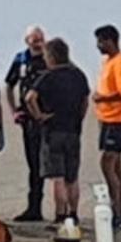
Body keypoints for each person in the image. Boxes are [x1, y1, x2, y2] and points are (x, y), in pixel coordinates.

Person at [25, 37, 89, 223]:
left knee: (58, 177)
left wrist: (39, 116)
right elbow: (85, 99)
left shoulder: (48, 76)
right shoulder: (78, 75)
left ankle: (60, 214)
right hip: (73, 130)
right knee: (72, 176)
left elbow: (30, 97)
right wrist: (79, 117)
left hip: (53, 130)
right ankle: (73, 213)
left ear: (51, 56)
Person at [91, 24, 121, 229]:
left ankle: (117, 209)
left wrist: (102, 98)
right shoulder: (108, 62)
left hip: (118, 118)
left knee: (107, 162)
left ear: (111, 40)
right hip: (107, 118)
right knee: (116, 164)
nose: (99, 45)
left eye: (101, 41)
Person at [4, 25, 49, 221]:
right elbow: (9, 84)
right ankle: (33, 207)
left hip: (46, 118)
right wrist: (14, 110)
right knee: (33, 163)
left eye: (41, 39)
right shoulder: (20, 59)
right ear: (27, 41)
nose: (38, 43)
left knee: (46, 164)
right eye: (34, 40)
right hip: (28, 120)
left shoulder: (50, 58)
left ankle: (56, 208)